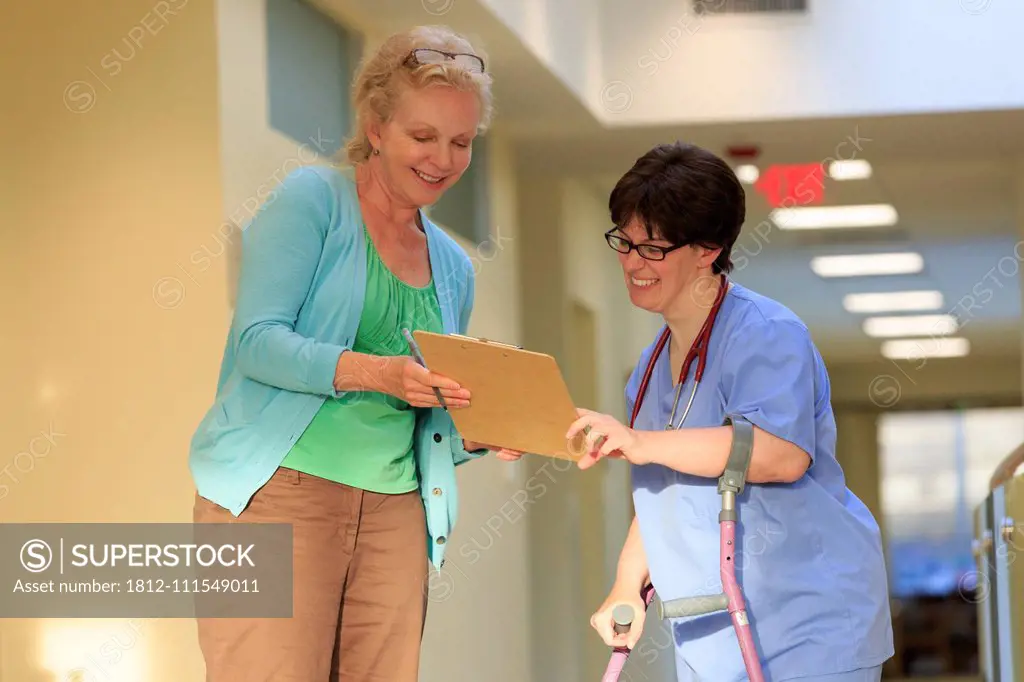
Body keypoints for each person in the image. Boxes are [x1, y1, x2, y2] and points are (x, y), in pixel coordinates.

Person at [188, 25, 520, 682]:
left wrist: (485, 427)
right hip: (279, 495)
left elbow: (431, 422)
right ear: (375, 126)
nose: (443, 159)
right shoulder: (312, 200)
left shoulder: (455, 267)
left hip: (397, 510)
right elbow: (258, 341)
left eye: (461, 143)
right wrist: (376, 373)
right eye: (422, 137)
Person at [566, 142, 894, 681]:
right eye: (624, 242)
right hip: (710, 628)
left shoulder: (766, 333)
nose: (630, 262)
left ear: (708, 249)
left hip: (807, 624)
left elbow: (780, 453)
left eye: (652, 247)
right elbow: (661, 488)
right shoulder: (649, 369)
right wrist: (627, 584)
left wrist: (640, 441)